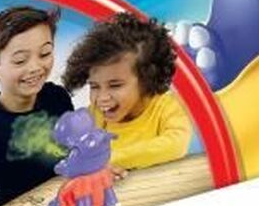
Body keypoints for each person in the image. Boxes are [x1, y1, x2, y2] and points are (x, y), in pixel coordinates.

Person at [0, 5, 73, 206]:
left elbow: (76, 154)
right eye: (20, 60)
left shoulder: (57, 98)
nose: (35, 67)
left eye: (45, 53)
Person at [63, 12, 191, 169]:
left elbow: (176, 144)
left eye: (115, 85)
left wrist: (109, 159)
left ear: (147, 80)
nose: (102, 98)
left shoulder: (167, 106)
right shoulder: (94, 116)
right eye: (94, 86)